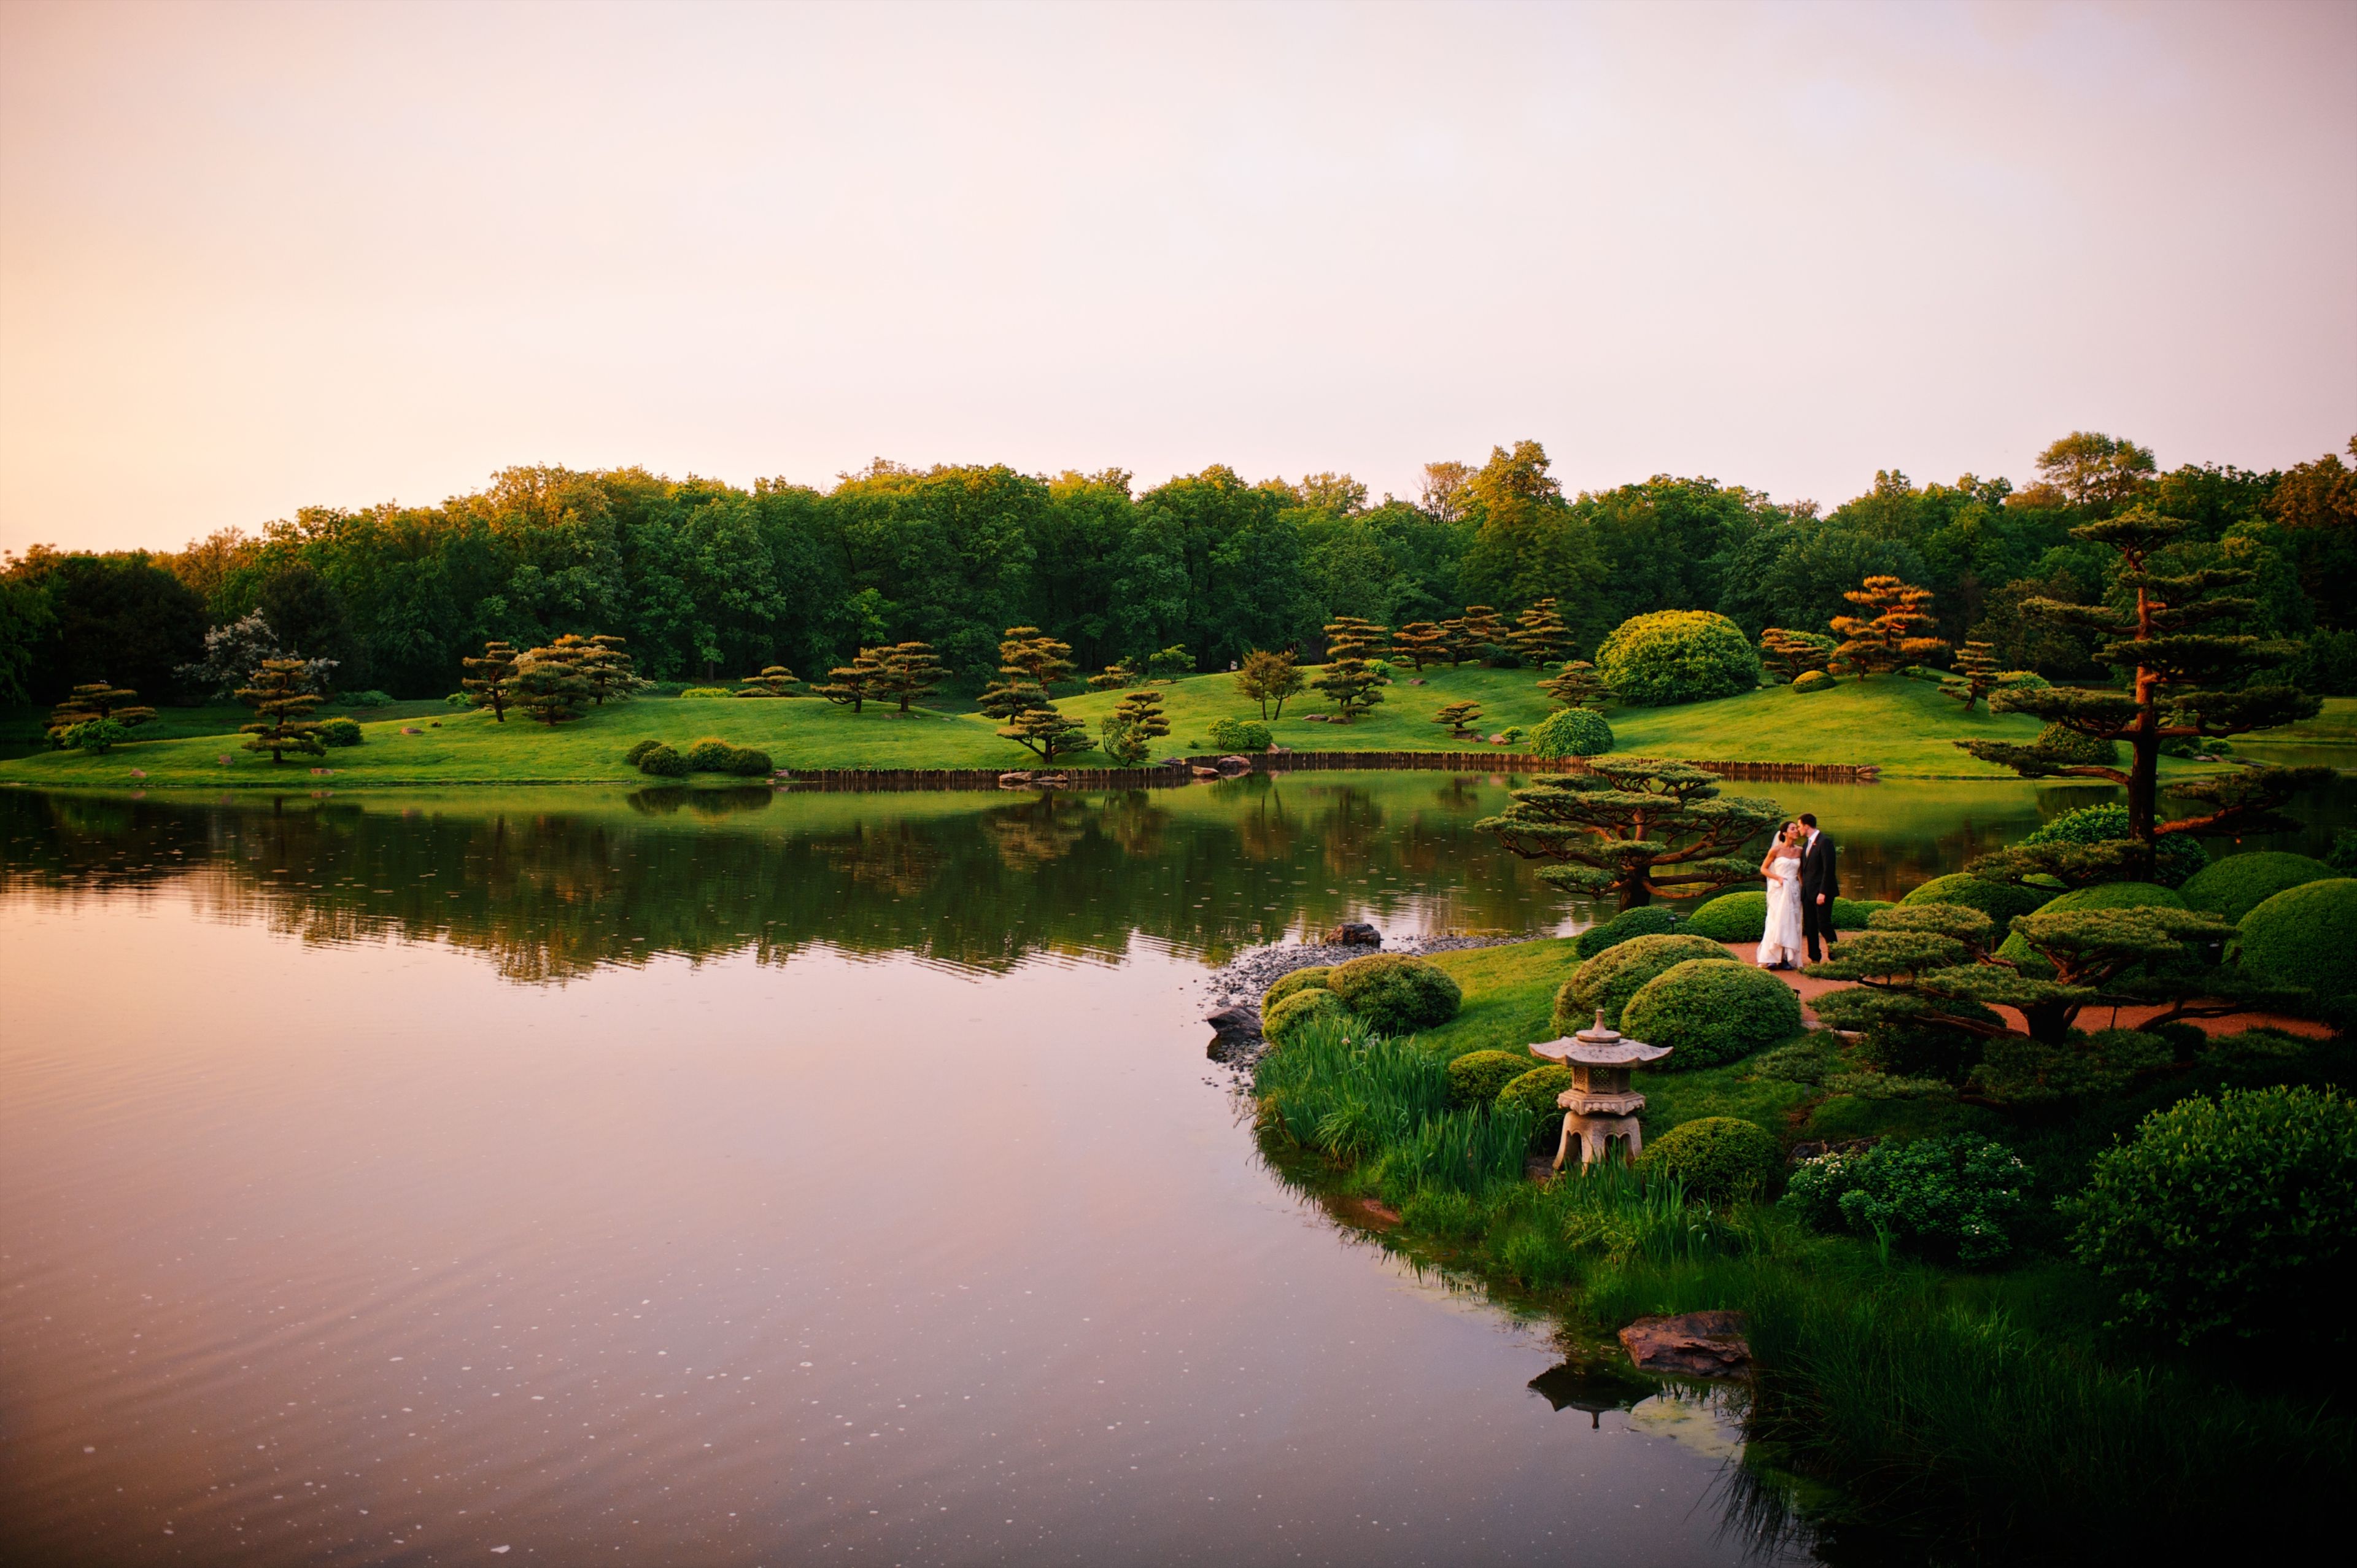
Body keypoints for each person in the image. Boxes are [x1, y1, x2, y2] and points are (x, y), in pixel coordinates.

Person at [1757, 821, 1806, 970]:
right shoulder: (1776, 851)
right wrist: (1778, 878)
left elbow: (1800, 873)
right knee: (1776, 921)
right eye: (1793, 829)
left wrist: (1804, 888)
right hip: (1779, 889)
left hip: (1793, 889)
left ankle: (1786, 957)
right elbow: (1764, 869)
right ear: (1784, 833)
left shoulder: (1800, 851)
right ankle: (1772, 957)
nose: (1796, 831)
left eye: (1796, 829)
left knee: (1792, 922)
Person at [1798, 811, 1840, 963]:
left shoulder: (1825, 842)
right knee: (1810, 926)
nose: (1799, 829)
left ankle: (1836, 956)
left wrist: (1823, 892)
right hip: (1808, 892)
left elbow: (1829, 869)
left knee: (1824, 924)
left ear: (1807, 826)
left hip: (1822, 892)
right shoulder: (1806, 844)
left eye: (1800, 826)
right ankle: (1814, 957)